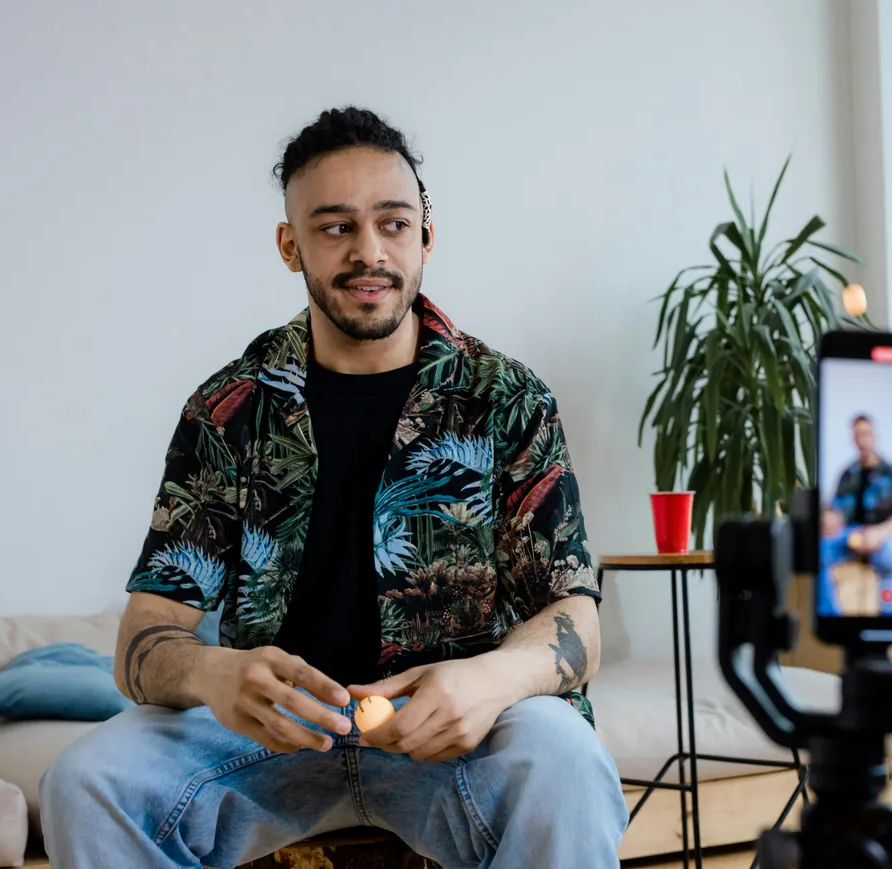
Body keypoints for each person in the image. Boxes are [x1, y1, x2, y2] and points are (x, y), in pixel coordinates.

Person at [38, 107, 628, 869]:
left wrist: (490, 679)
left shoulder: (507, 398)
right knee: (86, 779)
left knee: (566, 760)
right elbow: (143, 639)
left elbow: (574, 618)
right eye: (336, 227)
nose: (369, 251)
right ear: (291, 245)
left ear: (426, 236)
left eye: (393, 223)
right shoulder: (228, 408)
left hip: (459, 731)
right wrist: (214, 672)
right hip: (266, 740)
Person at [819, 414, 892, 617]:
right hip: (850, 534)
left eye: (866, 434)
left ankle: (889, 622)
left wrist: (880, 533)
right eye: (857, 435)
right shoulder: (847, 474)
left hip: (884, 533)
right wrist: (831, 518)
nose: (862, 440)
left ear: (875, 436)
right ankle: (831, 620)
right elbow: (836, 509)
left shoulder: (891, 473)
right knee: (817, 552)